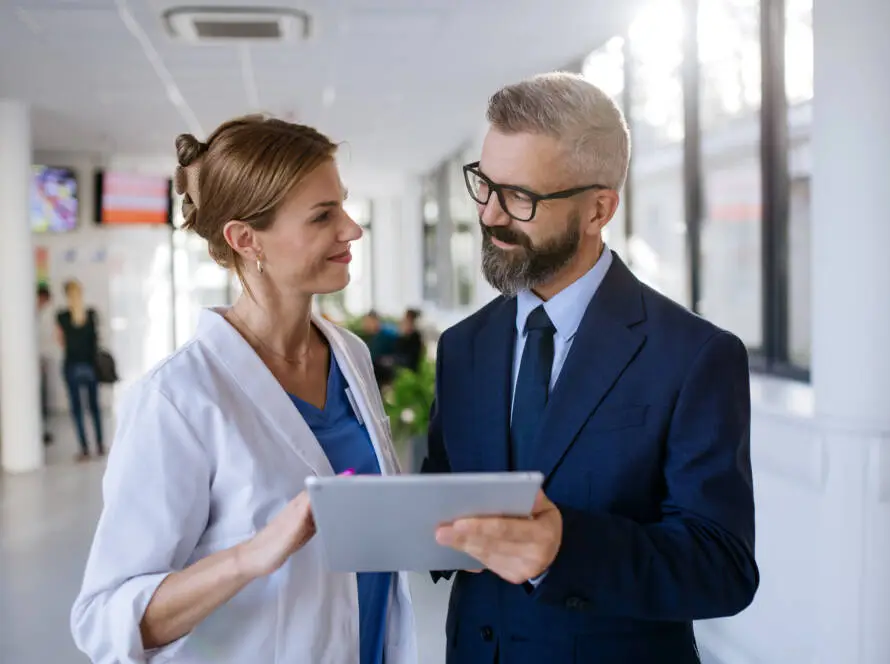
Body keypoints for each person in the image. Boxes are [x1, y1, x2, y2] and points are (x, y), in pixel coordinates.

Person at [424, 72, 758, 664]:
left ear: (598, 208)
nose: (491, 215)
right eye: (485, 184)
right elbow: (444, 490)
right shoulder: (462, 347)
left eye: (520, 197)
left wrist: (564, 548)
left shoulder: (694, 355)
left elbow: (722, 566)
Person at [70, 116, 417, 664]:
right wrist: (251, 556)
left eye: (343, 206)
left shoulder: (349, 355)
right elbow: (105, 617)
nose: (351, 229)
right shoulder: (177, 398)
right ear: (246, 239)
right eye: (323, 216)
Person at [56, 279, 104, 460]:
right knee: (94, 408)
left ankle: (84, 449)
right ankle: (99, 445)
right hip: (90, 366)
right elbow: (96, 340)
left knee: (77, 410)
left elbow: (60, 341)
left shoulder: (62, 316)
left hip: (72, 366)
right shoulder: (91, 314)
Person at [36, 284, 54, 444]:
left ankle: (42, 430)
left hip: (41, 362)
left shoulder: (41, 315)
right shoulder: (29, 315)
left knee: (43, 400)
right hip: (35, 364)